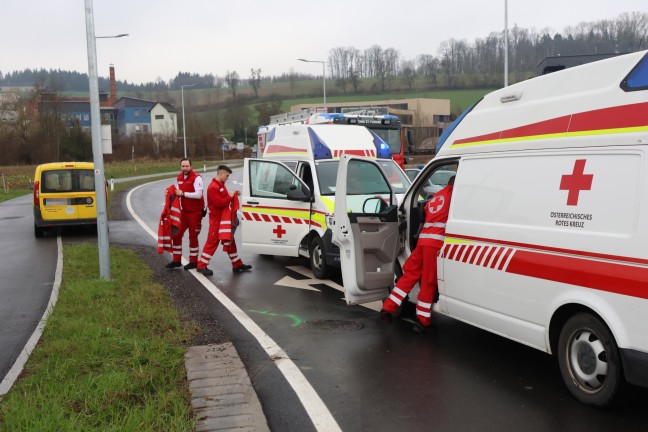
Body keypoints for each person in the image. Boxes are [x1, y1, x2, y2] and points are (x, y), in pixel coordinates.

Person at [380, 175, 455, 333]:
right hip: (434, 244)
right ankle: (422, 321)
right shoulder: (453, 197)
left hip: (422, 242)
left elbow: (425, 212)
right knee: (428, 281)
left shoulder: (436, 197)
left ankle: (388, 307)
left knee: (409, 275)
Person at [196, 165, 252, 276]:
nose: (227, 178)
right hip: (216, 220)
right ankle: (201, 266)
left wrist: (233, 194)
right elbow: (220, 203)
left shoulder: (220, 185)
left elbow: (224, 198)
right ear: (221, 174)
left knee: (230, 240)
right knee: (212, 242)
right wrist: (230, 196)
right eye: (226, 176)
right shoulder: (213, 187)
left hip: (223, 220)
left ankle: (237, 264)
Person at [165, 158, 205, 270]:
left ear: (191, 166)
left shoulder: (197, 178)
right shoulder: (179, 177)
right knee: (176, 234)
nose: (185, 168)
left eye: (187, 166)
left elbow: (198, 195)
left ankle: (193, 262)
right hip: (184, 212)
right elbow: (177, 192)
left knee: (193, 237)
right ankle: (176, 260)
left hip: (195, 212)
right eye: (183, 166)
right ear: (180, 167)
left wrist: (183, 194)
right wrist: (169, 193)